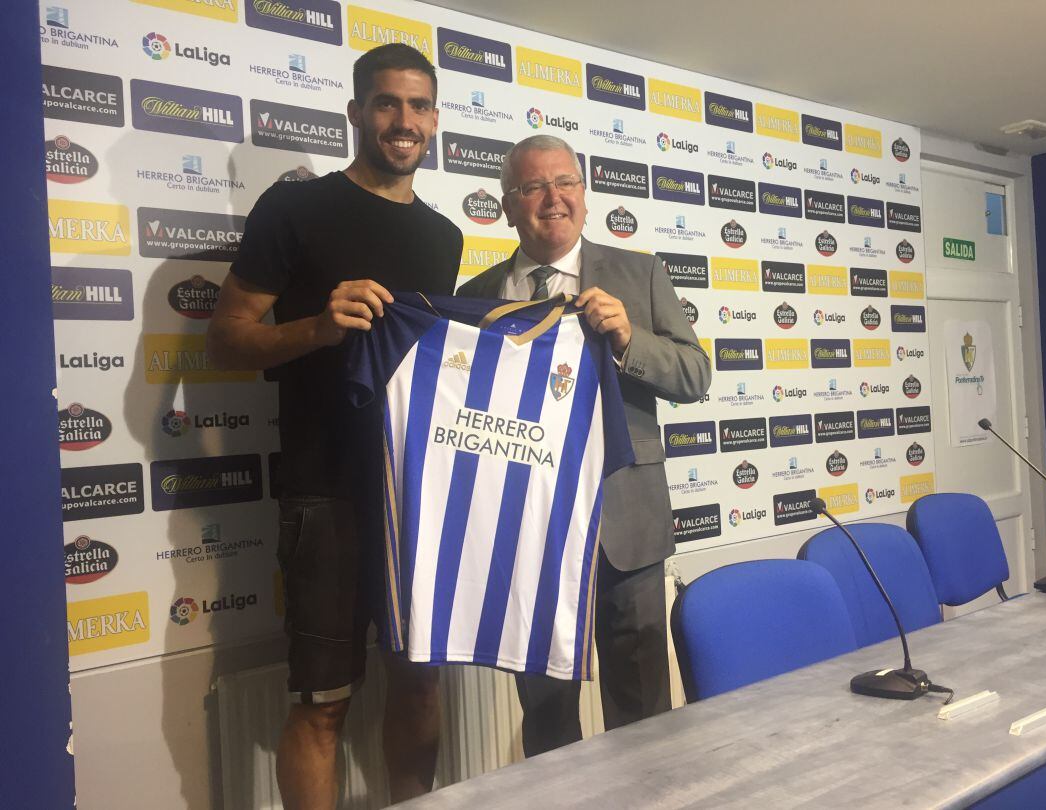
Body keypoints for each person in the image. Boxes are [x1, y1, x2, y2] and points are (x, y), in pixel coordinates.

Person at [207, 44, 462, 809]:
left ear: (436, 121)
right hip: (323, 490)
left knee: (420, 685)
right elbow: (223, 341)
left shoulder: (444, 236)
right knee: (323, 703)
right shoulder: (294, 209)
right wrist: (317, 327)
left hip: (414, 491)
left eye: (418, 106)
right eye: (387, 103)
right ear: (356, 112)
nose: (404, 120)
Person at [457, 134, 711, 756]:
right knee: (546, 718)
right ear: (508, 205)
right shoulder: (473, 299)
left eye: (565, 182)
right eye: (533, 187)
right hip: (527, 533)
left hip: (624, 525)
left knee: (644, 710)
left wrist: (628, 339)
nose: (552, 199)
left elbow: (694, 375)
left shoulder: (638, 272)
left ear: (585, 195)